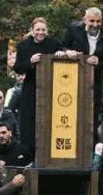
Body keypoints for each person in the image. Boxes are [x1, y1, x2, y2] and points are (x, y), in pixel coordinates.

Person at [12, 17, 65, 152]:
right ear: (32, 31)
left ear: (47, 31)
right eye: (37, 30)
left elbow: (64, 58)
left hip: (51, 87)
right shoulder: (23, 46)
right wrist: (30, 61)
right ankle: (28, 151)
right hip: (31, 87)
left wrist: (60, 54)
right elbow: (18, 67)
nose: (40, 33)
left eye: (43, 30)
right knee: (29, 120)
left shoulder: (54, 44)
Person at [59, 7, 103, 122]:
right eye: (92, 21)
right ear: (85, 19)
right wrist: (67, 52)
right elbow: (60, 46)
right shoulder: (73, 30)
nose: (95, 25)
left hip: (94, 83)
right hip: (71, 80)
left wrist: (98, 62)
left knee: (91, 115)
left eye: (98, 21)